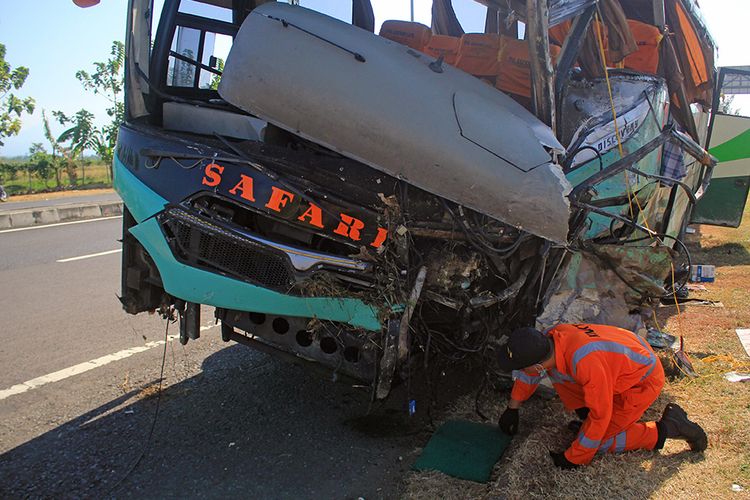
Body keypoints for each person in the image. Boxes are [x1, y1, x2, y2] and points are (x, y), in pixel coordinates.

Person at [496, 323, 707, 469]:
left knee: (600, 441)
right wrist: (512, 408)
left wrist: (575, 458)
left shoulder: (587, 364)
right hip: (621, 366)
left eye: (523, 368)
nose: (522, 371)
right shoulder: (552, 338)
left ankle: (670, 428)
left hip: (641, 382)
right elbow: (530, 372)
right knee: (559, 372)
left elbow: (600, 416)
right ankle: (588, 423)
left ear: (538, 365)